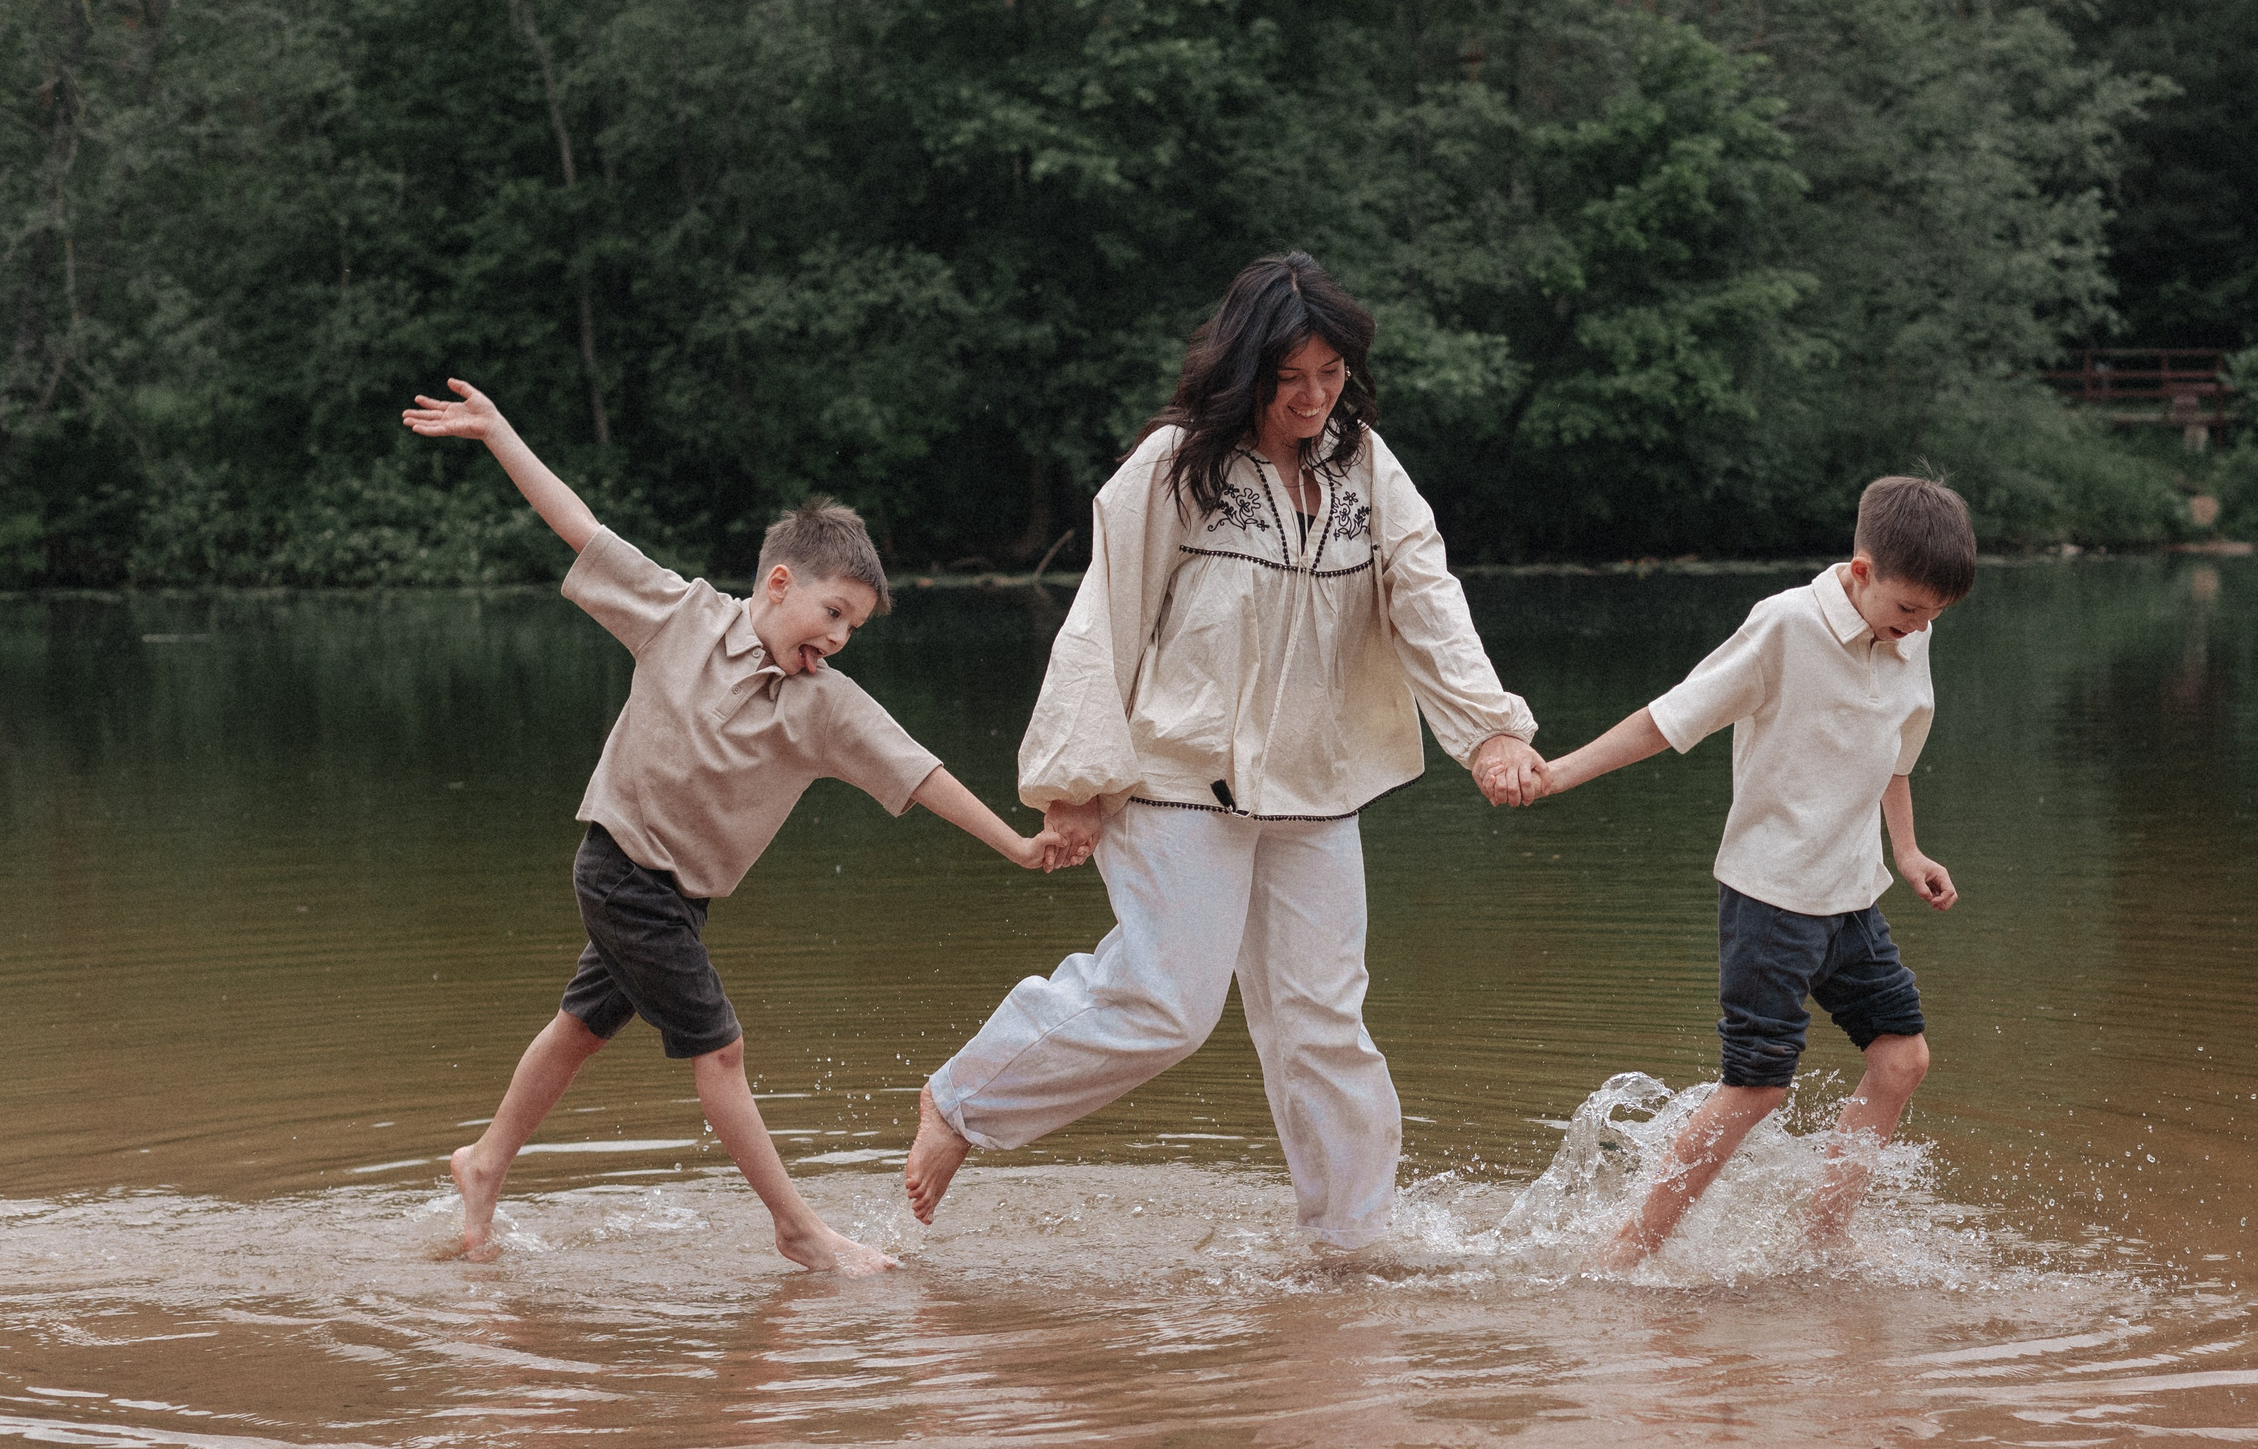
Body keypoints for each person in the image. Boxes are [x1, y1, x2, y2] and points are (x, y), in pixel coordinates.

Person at [901, 253, 1545, 1250]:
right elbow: (1100, 624)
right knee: (1169, 1003)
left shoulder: (1363, 465)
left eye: (1331, 375)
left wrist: (1490, 730)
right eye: (1291, 378)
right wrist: (1073, 783)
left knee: (1325, 1025)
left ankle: (1349, 1242)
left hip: (1315, 787)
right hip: (1174, 776)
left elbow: (1424, 594)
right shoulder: (1170, 467)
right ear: (1245, 367)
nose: (1312, 398)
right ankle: (962, 1100)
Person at [403, 379, 1068, 1274]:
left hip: (680, 900)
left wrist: (1020, 844)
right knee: (721, 1053)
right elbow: (580, 527)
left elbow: (923, 772)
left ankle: (483, 1164)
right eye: (833, 613)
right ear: (779, 582)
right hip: (618, 871)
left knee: (581, 1027)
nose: (838, 638)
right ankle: (798, 1229)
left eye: (855, 627)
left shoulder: (823, 705)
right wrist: (499, 434)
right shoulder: (679, 616)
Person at [1534, 476, 1973, 1268]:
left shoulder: (1913, 633)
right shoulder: (1785, 626)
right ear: (1863, 570)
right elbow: (1672, 718)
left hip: (1849, 898)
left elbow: (1895, 756)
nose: (1920, 627)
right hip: (1772, 896)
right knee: (1759, 1087)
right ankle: (1623, 1255)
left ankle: (1820, 1244)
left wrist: (1906, 852)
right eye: (1910, 609)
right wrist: (1559, 773)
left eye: (1935, 615)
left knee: (1903, 1061)